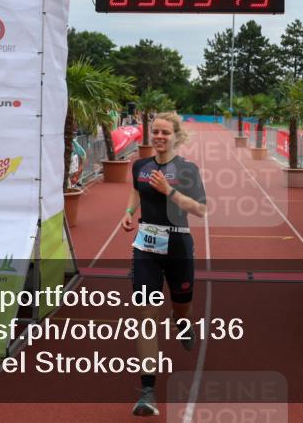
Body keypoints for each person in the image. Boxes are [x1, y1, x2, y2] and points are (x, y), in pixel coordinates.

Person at [120, 111, 206, 417]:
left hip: (179, 246)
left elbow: (201, 209)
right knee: (145, 314)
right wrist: (129, 211)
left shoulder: (187, 170)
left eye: (165, 133)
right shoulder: (140, 166)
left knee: (183, 305)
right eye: (155, 131)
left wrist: (169, 191)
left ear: (176, 136)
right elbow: (135, 189)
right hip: (146, 248)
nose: (159, 136)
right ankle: (147, 390)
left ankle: (182, 321)